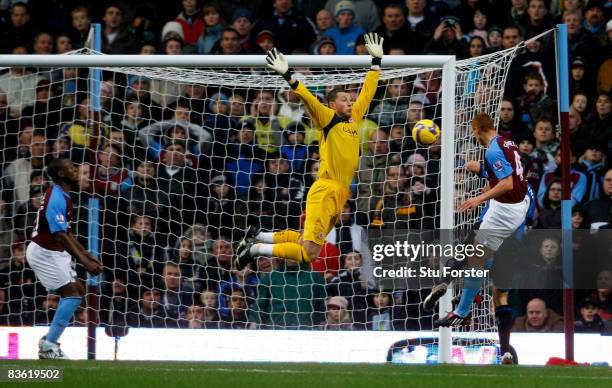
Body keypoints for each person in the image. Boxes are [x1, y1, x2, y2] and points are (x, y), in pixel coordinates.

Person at [235, 33, 383, 269]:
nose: (350, 102)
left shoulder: (354, 118)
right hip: (324, 190)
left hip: (340, 193)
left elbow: (368, 92)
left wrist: (376, 63)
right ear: (333, 104)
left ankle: (258, 236)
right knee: (309, 253)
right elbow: (308, 98)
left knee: (307, 241)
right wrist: (288, 75)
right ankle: (256, 249)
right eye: (345, 99)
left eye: (350, 99)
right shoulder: (328, 118)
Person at [424, 113, 531, 328]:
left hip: (505, 211)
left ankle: (462, 310)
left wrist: (477, 198)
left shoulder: (492, 150)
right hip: (519, 204)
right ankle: (467, 296)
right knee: (479, 251)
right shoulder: (506, 141)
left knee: (476, 258)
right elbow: (507, 174)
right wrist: (481, 170)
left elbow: (507, 183)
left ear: (476, 129)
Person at [25, 158, 102, 358]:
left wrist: (85, 253)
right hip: (44, 252)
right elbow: (59, 235)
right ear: (61, 174)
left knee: (78, 291)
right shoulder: (56, 198)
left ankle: (48, 340)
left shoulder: (62, 195)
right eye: (72, 168)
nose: (76, 171)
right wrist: (85, 263)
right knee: (73, 294)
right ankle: (49, 345)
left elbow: (66, 232)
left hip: (54, 251)